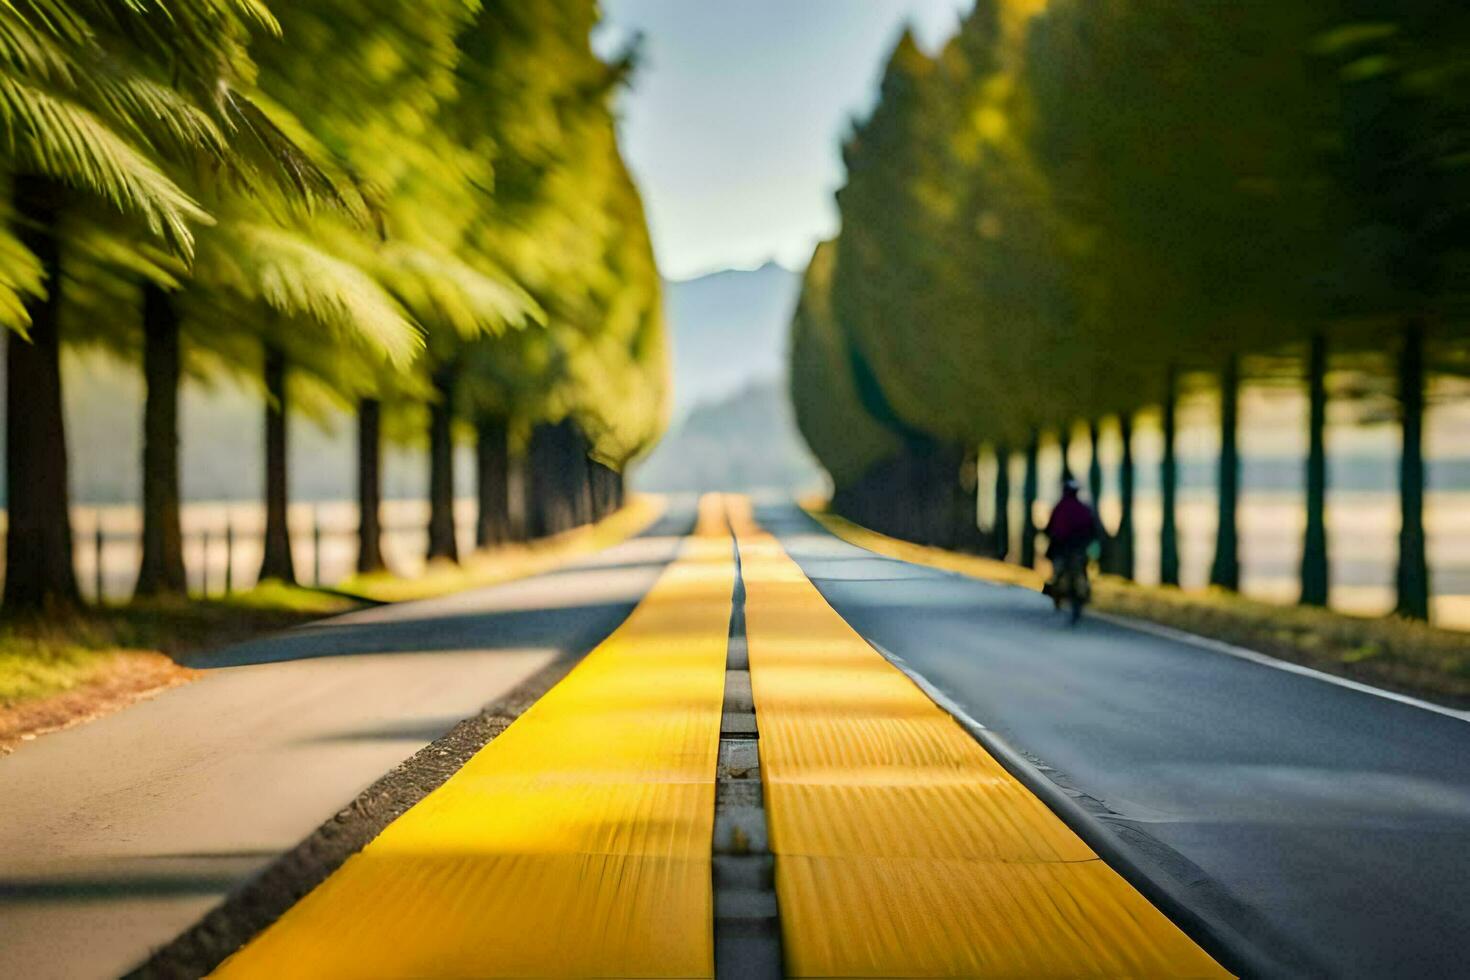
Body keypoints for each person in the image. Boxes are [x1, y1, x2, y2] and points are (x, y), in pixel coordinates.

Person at [1043, 478, 1102, 618]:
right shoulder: (1082, 509)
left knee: (1059, 570)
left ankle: (1057, 591)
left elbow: (1050, 529)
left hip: (1065, 548)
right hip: (1077, 549)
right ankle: (1080, 593)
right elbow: (1092, 530)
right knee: (1079, 570)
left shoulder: (1060, 508)